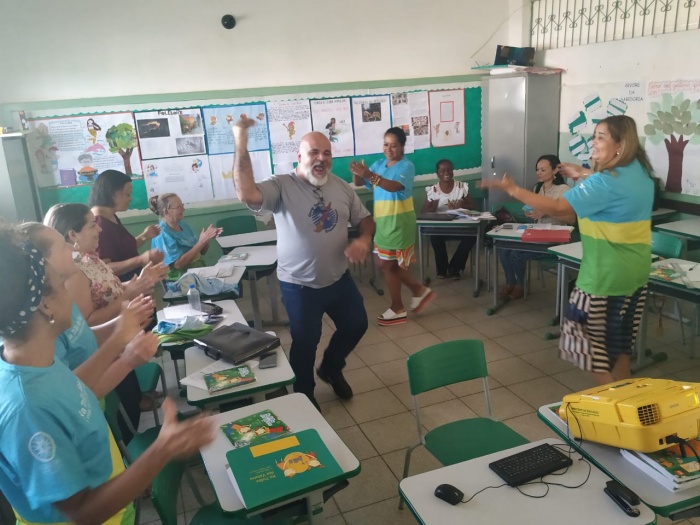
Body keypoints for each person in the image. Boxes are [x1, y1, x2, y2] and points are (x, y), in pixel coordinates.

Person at [0, 225, 216, 524]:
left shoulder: (39, 363)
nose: (70, 292)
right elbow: (82, 513)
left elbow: (77, 393)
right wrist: (163, 449)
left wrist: (125, 355)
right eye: (61, 285)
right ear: (45, 305)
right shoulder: (27, 408)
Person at [481, 116, 654, 385]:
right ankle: (626, 398)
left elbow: (560, 207)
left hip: (605, 277)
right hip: (636, 273)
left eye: (601, 137)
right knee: (617, 346)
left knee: (582, 340)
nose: (593, 142)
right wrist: (583, 173)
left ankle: (613, 403)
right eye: (594, 135)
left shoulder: (603, 183)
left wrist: (513, 189)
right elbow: (613, 186)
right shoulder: (640, 173)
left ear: (620, 145)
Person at [232, 118, 374, 409]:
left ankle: (331, 368)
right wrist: (241, 140)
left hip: (338, 279)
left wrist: (363, 240)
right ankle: (304, 394)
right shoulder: (281, 186)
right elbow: (246, 193)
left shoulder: (342, 187)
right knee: (306, 342)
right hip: (299, 285)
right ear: (299, 156)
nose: (321, 158)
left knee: (357, 324)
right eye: (314, 152)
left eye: (327, 153)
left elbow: (365, 219)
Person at [350, 127, 435, 326]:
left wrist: (369, 174)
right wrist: (357, 173)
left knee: (388, 265)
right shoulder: (379, 164)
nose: (388, 149)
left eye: (393, 145)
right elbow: (362, 183)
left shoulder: (407, 166)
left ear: (402, 146)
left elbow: (393, 186)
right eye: (385, 144)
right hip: (383, 223)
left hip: (399, 223)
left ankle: (399, 307)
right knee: (387, 264)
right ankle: (418, 291)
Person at [43, 203, 167, 328]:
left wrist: (139, 283)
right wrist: (127, 296)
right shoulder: (72, 272)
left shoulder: (89, 258)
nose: (99, 229)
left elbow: (106, 289)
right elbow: (87, 324)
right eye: (93, 225)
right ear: (73, 235)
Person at [497, 154, 571, 300]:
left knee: (515, 254)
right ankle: (510, 282)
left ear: (555, 170)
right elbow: (533, 209)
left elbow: (570, 218)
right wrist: (529, 212)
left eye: (543, 170)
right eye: (537, 170)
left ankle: (520, 285)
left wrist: (546, 211)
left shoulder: (564, 190)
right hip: (536, 235)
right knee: (504, 249)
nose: (539, 173)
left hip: (554, 240)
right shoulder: (538, 188)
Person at [89, 169, 164, 282]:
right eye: (127, 194)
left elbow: (122, 251)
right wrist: (140, 260)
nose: (130, 198)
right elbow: (104, 268)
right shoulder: (100, 224)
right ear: (112, 194)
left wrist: (144, 236)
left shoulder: (110, 216)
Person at [421, 158, 477, 280]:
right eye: (442, 171)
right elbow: (423, 211)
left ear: (453, 171)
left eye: (449, 169)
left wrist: (462, 206)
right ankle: (442, 270)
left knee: (472, 237)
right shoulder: (433, 190)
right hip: (441, 227)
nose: (446, 173)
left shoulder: (461, 187)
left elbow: (473, 205)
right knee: (435, 238)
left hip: (459, 226)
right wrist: (433, 207)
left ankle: (454, 268)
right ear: (437, 174)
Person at [148, 193, 223, 277]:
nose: (183, 209)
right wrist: (201, 242)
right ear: (166, 211)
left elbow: (201, 252)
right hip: (180, 280)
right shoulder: (162, 234)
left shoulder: (182, 224)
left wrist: (207, 238)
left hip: (199, 273)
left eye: (182, 205)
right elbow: (178, 265)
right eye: (179, 207)